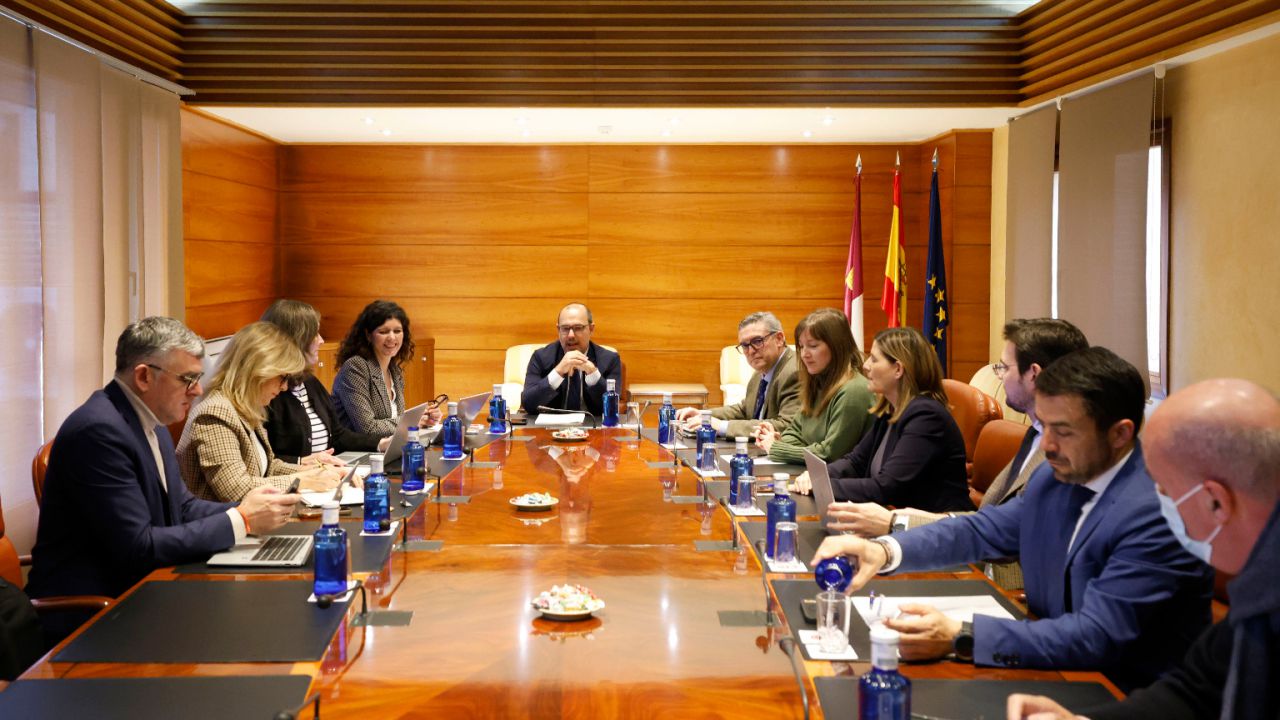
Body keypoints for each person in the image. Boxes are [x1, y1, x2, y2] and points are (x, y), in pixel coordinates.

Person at [812, 346, 1213, 693]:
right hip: (1046, 670)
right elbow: (982, 530)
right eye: (1043, 427)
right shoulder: (1054, 477)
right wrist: (885, 551)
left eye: (1063, 431)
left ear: (1120, 434)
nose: (1047, 445)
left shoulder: (1156, 514)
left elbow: (1095, 638)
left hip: (1120, 693)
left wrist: (960, 635)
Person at [1008, 378, 1280, 720]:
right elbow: (1196, 691)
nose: (1159, 503)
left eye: (1164, 490)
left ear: (1215, 502)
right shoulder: (1259, 584)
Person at [25, 317, 299, 644]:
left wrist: (250, 509)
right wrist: (241, 520)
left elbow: (181, 507)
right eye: (188, 379)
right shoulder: (98, 432)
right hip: (96, 616)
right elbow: (138, 547)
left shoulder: (151, 422)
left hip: (148, 591)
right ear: (144, 376)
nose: (198, 390)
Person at [827, 318, 1087, 590]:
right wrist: (889, 542)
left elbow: (1004, 534)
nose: (999, 376)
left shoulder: (1067, 456)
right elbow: (989, 525)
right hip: (969, 555)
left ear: (1033, 373)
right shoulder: (1036, 434)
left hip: (1005, 586)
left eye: (1003, 367)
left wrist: (896, 525)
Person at [799, 326, 971, 514]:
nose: (865, 366)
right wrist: (817, 476)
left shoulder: (927, 417)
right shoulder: (891, 410)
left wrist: (823, 485)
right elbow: (856, 462)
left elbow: (886, 487)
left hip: (934, 525)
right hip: (893, 516)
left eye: (874, 359)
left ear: (898, 369)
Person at [178, 322, 344, 502]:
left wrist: (316, 471)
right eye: (282, 377)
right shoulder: (215, 412)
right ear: (257, 371)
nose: (284, 387)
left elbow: (269, 467)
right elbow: (235, 489)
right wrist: (302, 480)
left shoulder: (245, 407)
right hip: (220, 518)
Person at [261, 299, 390, 463]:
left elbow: (337, 435)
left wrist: (381, 443)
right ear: (297, 339)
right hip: (299, 476)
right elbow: (264, 459)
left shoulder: (310, 382)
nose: (321, 340)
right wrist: (301, 462)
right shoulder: (267, 393)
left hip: (328, 471)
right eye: (315, 334)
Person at [752, 308, 874, 463]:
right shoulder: (818, 383)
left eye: (813, 346)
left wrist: (775, 447)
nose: (804, 354)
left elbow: (830, 453)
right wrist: (775, 440)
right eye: (801, 346)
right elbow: (796, 432)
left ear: (837, 346)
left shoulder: (854, 390)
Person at [675, 311, 801, 438]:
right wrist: (704, 415)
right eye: (745, 345)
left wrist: (721, 426)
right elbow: (745, 410)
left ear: (779, 339)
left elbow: (787, 426)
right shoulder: (760, 372)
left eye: (758, 341)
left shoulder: (795, 372)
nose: (751, 351)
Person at [332, 300, 434, 435]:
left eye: (397, 331)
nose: (392, 337)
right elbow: (368, 429)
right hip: (356, 448)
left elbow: (394, 421)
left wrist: (423, 418)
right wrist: (412, 421)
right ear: (368, 335)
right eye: (384, 331)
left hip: (387, 446)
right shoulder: (355, 367)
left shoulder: (395, 371)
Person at [520, 303, 622, 418]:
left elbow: (613, 407)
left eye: (578, 328)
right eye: (565, 328)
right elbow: (528, 404)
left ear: (591, 329)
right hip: (551, 426)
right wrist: (557, 373)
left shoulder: (609, 360)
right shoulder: (541, 357)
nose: (571, 335)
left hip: (593, 426)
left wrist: (593, 374)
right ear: (558, 329)